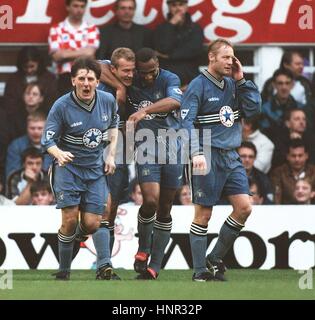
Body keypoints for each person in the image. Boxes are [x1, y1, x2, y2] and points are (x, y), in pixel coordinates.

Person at [181, 38, 261, 281]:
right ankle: (199, 271)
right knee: (203, 215)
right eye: (225, 57)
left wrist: (241, 79)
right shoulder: (198, 85)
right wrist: (195, 153)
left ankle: (214, 258)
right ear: (212, 58)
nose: (230, 61)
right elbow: (186, 122)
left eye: (232, 56)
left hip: (231, 154)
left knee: (244, 208)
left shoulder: (234, 84)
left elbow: (254, 110)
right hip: (206, 153)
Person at [41, 58, 118, 280]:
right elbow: (48, 140)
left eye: (91, 79)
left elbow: (113, 126)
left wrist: (111, 155)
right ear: (73, 80)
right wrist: (59, 154)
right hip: (68, 169)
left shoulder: (107, 100)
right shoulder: (61, 106)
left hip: (95, 169)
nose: (86, 83)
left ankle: (99, 262)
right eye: (81, 79)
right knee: (70, 220)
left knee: (93, 222)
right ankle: (65, 271)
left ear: (97, 81)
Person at [127, 48, 183, 280]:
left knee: (165, 207)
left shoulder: (170, 78)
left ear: (157, 64)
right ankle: (143, 248)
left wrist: (143, 111)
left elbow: (174, 101)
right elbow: (100, 65)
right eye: (143, 73)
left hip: (173, 146)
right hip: (147, 147)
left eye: (152, 72)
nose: (148, 77)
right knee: (150, 201)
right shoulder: (130, 80)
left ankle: (156, 265)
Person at [93, 48, 136, 280]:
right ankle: (70, 265)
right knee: (102, 208)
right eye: (125, 71)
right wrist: (119, 88)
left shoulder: (138, 81)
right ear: (113, 68)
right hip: (94, 150)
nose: (130, 75)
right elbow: (93, 63)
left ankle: (104, 266)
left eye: (132, 70)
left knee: (111, 209)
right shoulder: (101, 79)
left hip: (120, 150)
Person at [48, 0, 100, 96]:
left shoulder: (91, 28)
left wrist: (66, 53)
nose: (79, 10)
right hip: (64, 78)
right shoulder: (56, 29)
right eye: (75, 6)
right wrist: (82, 52)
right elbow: (57, 56)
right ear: (68, 7)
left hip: (86, 75)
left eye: (82, 6)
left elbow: (90, 53)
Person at [154, 0, 204, 89]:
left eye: (181, 4)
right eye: (174, 5)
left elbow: (193, 50)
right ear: (169, 7)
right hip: (167, 81)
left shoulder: (196, 28)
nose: (178, 8)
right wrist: (171, 25)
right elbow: (163, 48)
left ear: (186, 7)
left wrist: (169, 56)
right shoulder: (160, 29)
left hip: (190, 79)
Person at [3, 46, 58, 121]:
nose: (29, 70)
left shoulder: (49, 78)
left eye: (32, 66)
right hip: (18, 119)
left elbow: (53, 103)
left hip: (44, 118)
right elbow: (9, 104)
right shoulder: (14, 79)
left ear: (38, 63)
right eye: (25, 67)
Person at [5, 112, 51, 181]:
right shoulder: (16, 145)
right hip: (22, 184)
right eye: (32, 128)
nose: (36, 131)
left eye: (40, 128)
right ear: (27, 128)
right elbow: (11, 174)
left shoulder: (53, 146)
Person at [271, 139, 315, 204]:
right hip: (286, 210)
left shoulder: (313, 172)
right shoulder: (278, 173)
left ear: (306, 156)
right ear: (287, 156)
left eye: (300, 155)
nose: (297, 159)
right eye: (293, 156)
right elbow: (277, 197)